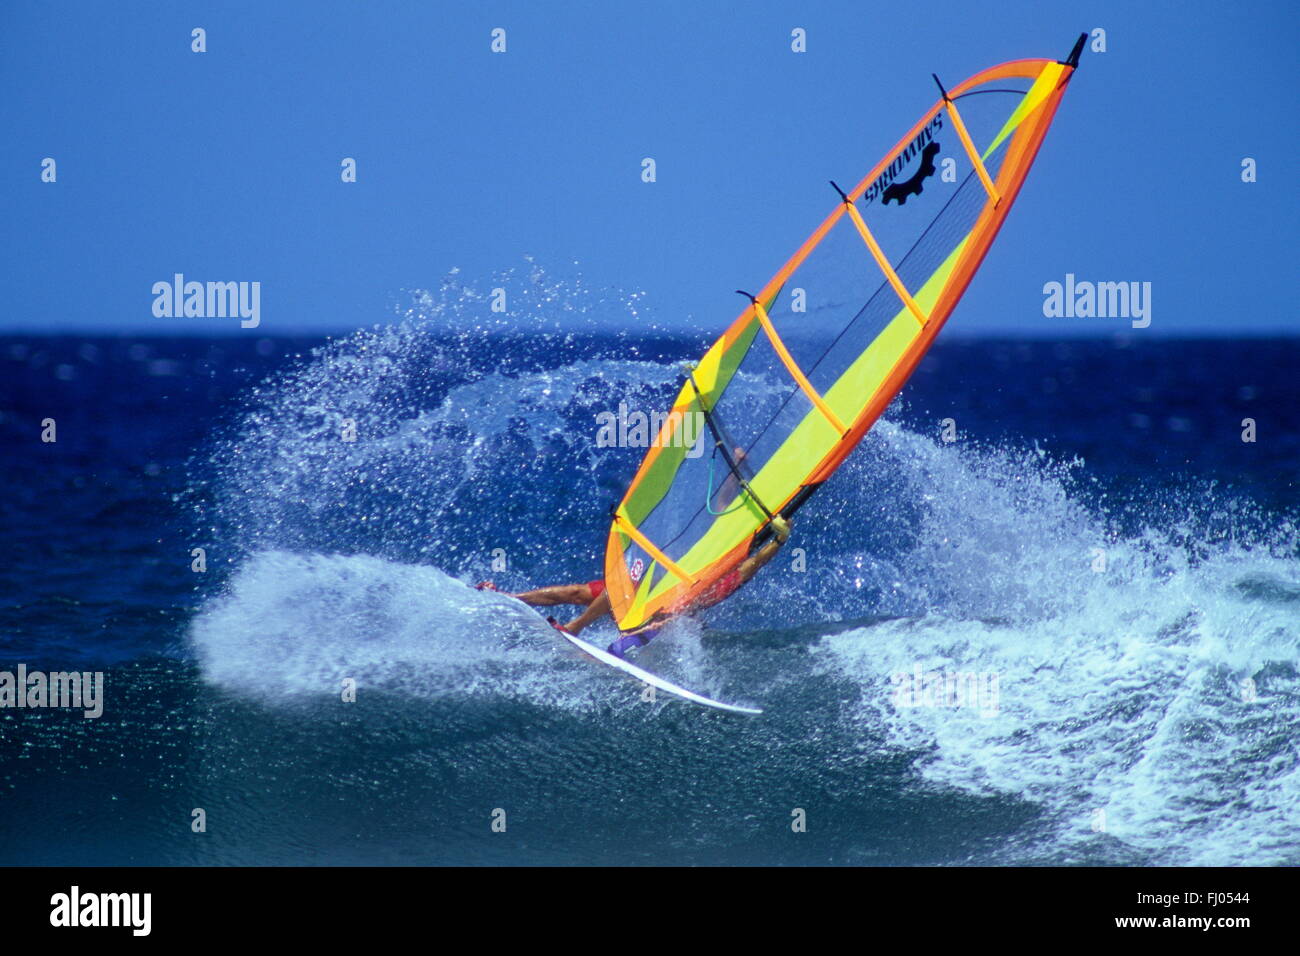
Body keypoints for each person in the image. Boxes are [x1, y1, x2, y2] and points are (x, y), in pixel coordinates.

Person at [476, 516, 791, 651]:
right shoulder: (711, 552)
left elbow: (759, 559)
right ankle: (509, 597)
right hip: (654, 586)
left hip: (670, 610)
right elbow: (723, 516)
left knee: (633, 606)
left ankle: (581, 631)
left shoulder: (734, 576)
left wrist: (780, 538)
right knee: (576, 592)